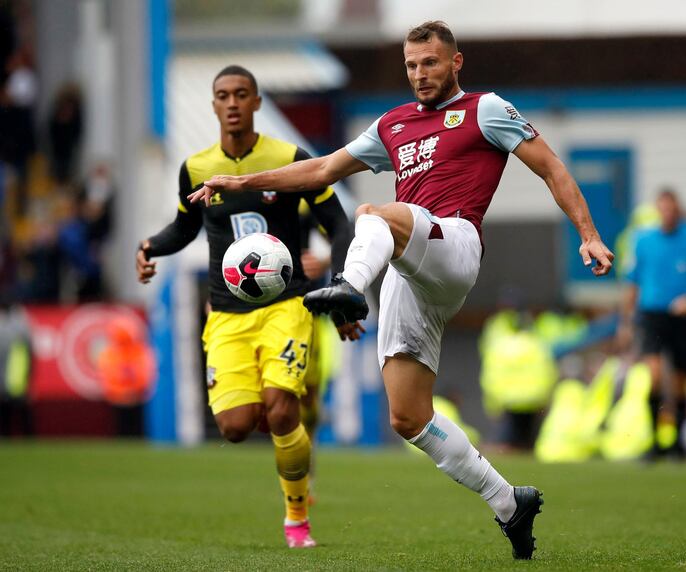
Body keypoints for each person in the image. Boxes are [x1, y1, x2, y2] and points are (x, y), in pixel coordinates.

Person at [190, 23, 613, 560]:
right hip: (410, 271)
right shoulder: (392, 124)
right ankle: (509, 502)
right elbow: (322, 168)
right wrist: (244, 181)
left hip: (455, 243)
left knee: (374, 212)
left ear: (456, 63)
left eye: (431, 63)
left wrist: (589, 235)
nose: (420, 74)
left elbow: (551, 167)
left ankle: (346, 286)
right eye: (412, 65)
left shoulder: (486, 109)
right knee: (408, 417)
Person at [135, 65, 354, 549]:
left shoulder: (290, 159)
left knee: (281, 414)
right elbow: (185, 228)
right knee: (235, 427)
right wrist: (149, 246)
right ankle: (274, 418)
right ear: (214, 106)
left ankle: (297, 517)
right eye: (222, 96)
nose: (232, 103)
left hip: (287, 304)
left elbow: (339, 227)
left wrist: (339, 287)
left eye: (241, 95)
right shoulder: (194, 168)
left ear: (256, 102)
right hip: (226, 314)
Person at [617, 189, 686, 458]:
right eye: (663, 209)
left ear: (678, 211)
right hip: (652, 315)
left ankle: (677, 442)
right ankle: (656, 441)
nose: (668, 215)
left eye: (672, 209)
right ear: (658, 211)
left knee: (683, 379)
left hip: (683, 316)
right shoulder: (643, 240)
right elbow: (632, 283)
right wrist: (625, 322)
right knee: (655, 375)